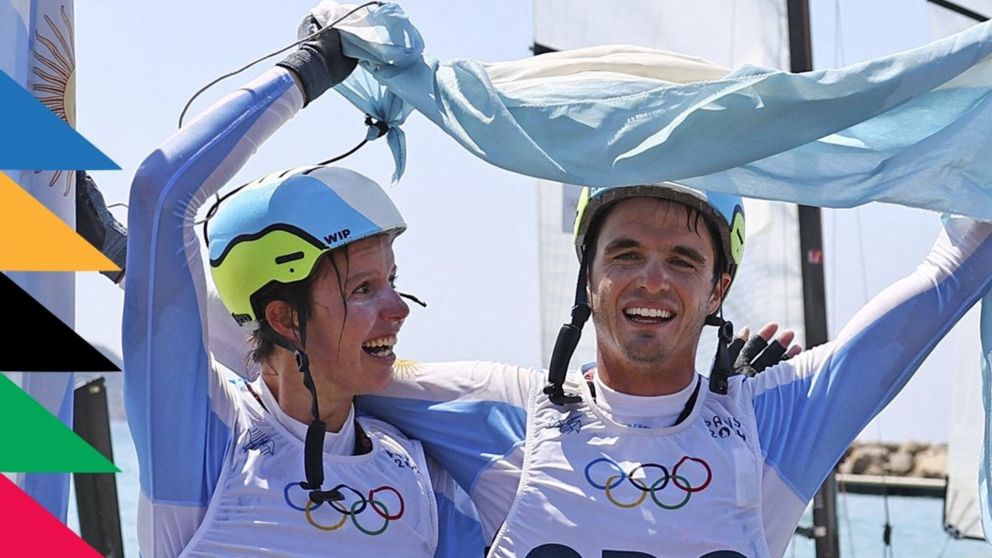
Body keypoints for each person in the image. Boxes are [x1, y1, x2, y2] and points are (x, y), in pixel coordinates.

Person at [359, 182, 992, 557]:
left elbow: (954, 271)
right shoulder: (501, 409)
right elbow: (284, 354)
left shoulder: (775, 418)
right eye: (627, 253)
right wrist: (305, 74)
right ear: (589, 276)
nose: (653, 280)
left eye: (683, 261)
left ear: (719, 291)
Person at [123, 14, 480, 558]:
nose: (399, 310)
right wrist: (314, 66)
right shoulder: (208, 441)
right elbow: (161, 190)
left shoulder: (417, 475)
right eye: (363, 289)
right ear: (285, 320)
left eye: (393, 281)